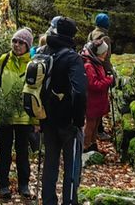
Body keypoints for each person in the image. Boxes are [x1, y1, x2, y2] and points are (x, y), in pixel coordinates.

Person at [38, 16, 87, 205]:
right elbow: (80, 92)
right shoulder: (72, 57)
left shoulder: (42, 52)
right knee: (72, 166)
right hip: (68, 122)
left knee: (50, 164)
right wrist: (78, 120)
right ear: (72, 35)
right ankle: (69, 201)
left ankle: (48, 201)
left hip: (47, 118)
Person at [0, 28, 37, 199]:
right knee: (4, 151)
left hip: (24, 116)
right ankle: (3, 185)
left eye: (21, 43)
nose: (16, 45)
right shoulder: (4, 59)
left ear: (27, 45)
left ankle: (23, 185)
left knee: (22, 151)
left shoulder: (33, 63)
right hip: (5, 114)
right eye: (15, 41)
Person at [82, 38, 114, 153]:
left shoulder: (97, 63)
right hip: (92, 101)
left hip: (98, 101)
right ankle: (85, 147)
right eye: (105, 52)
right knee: (90, 125)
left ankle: (92, 144)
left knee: (95, 125)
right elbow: (93, 84)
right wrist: (108, 80)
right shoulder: (89, 66)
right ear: (100, 52)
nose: (106, 54)